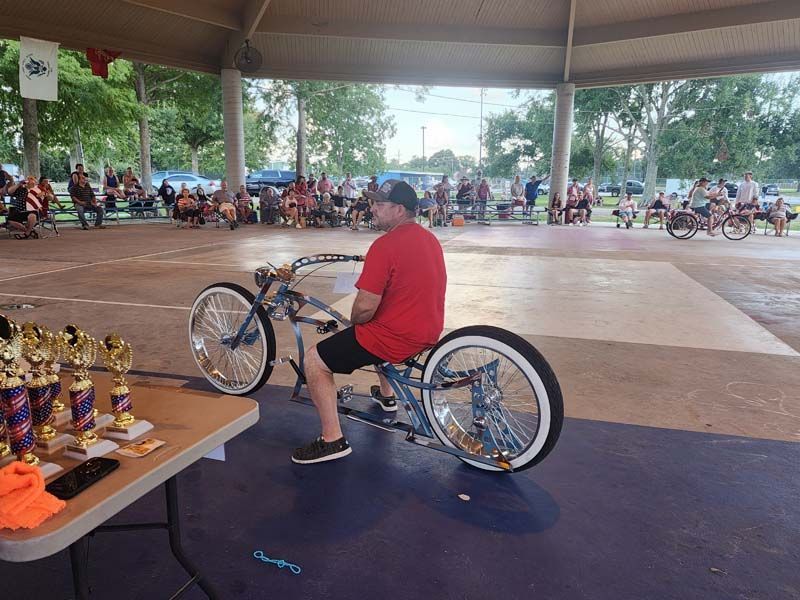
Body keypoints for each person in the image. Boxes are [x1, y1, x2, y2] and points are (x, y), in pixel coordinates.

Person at [294, 179, 445, 464]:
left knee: (316, 359)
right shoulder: (429, 238)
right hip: (429, 330)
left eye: (379, 204)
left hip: (396, 338)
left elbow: (364, 307)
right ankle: (387, 396)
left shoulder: (385, 246)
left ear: (399, 210)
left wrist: (353, 321)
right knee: (375, 326)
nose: (372, 208)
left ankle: (331, 439)